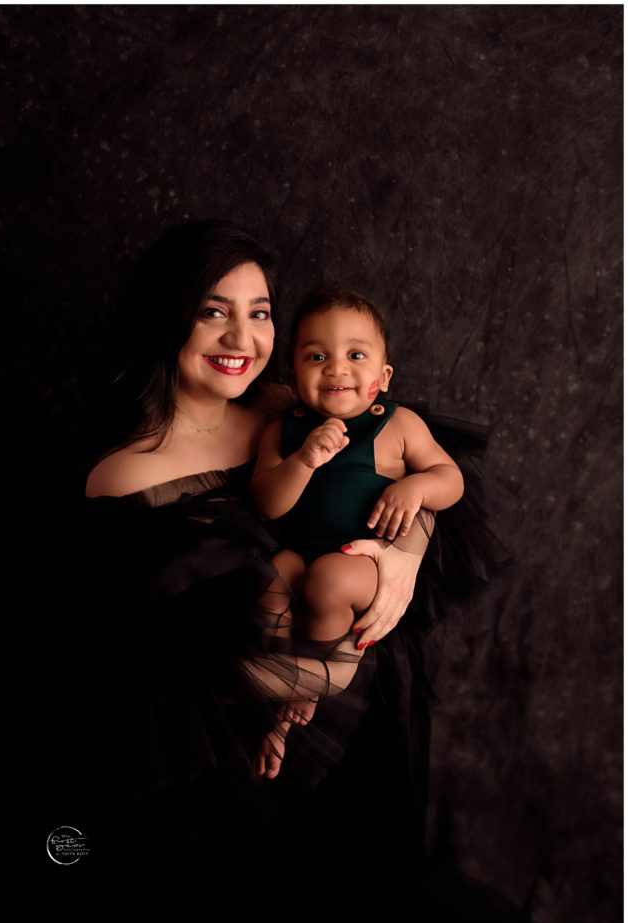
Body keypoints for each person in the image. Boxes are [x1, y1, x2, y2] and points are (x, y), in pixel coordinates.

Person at [82, 220, 434, 813]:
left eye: (261, 313)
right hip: (241, 753)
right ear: (169, 316)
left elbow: (419, 465)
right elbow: (168, 664)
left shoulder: (288, 406)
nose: (242, 339)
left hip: (372, 706)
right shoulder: (127, 478)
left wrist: (407, 553)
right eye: (213, 313)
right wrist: (328, 680)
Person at [250, 284, 464, 778]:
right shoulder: (282, 429)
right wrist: (304, 460)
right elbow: (266, 502)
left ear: (383, 375)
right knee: (269, 579)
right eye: (317, 355)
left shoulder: (397, 424)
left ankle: (314, 687)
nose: (336, 368)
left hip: (362, 561)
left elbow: (450, 479)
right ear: (293, 372)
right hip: (296, 550)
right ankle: (280, 696)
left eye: (356, 354)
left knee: (326, 581)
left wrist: (416, 488)